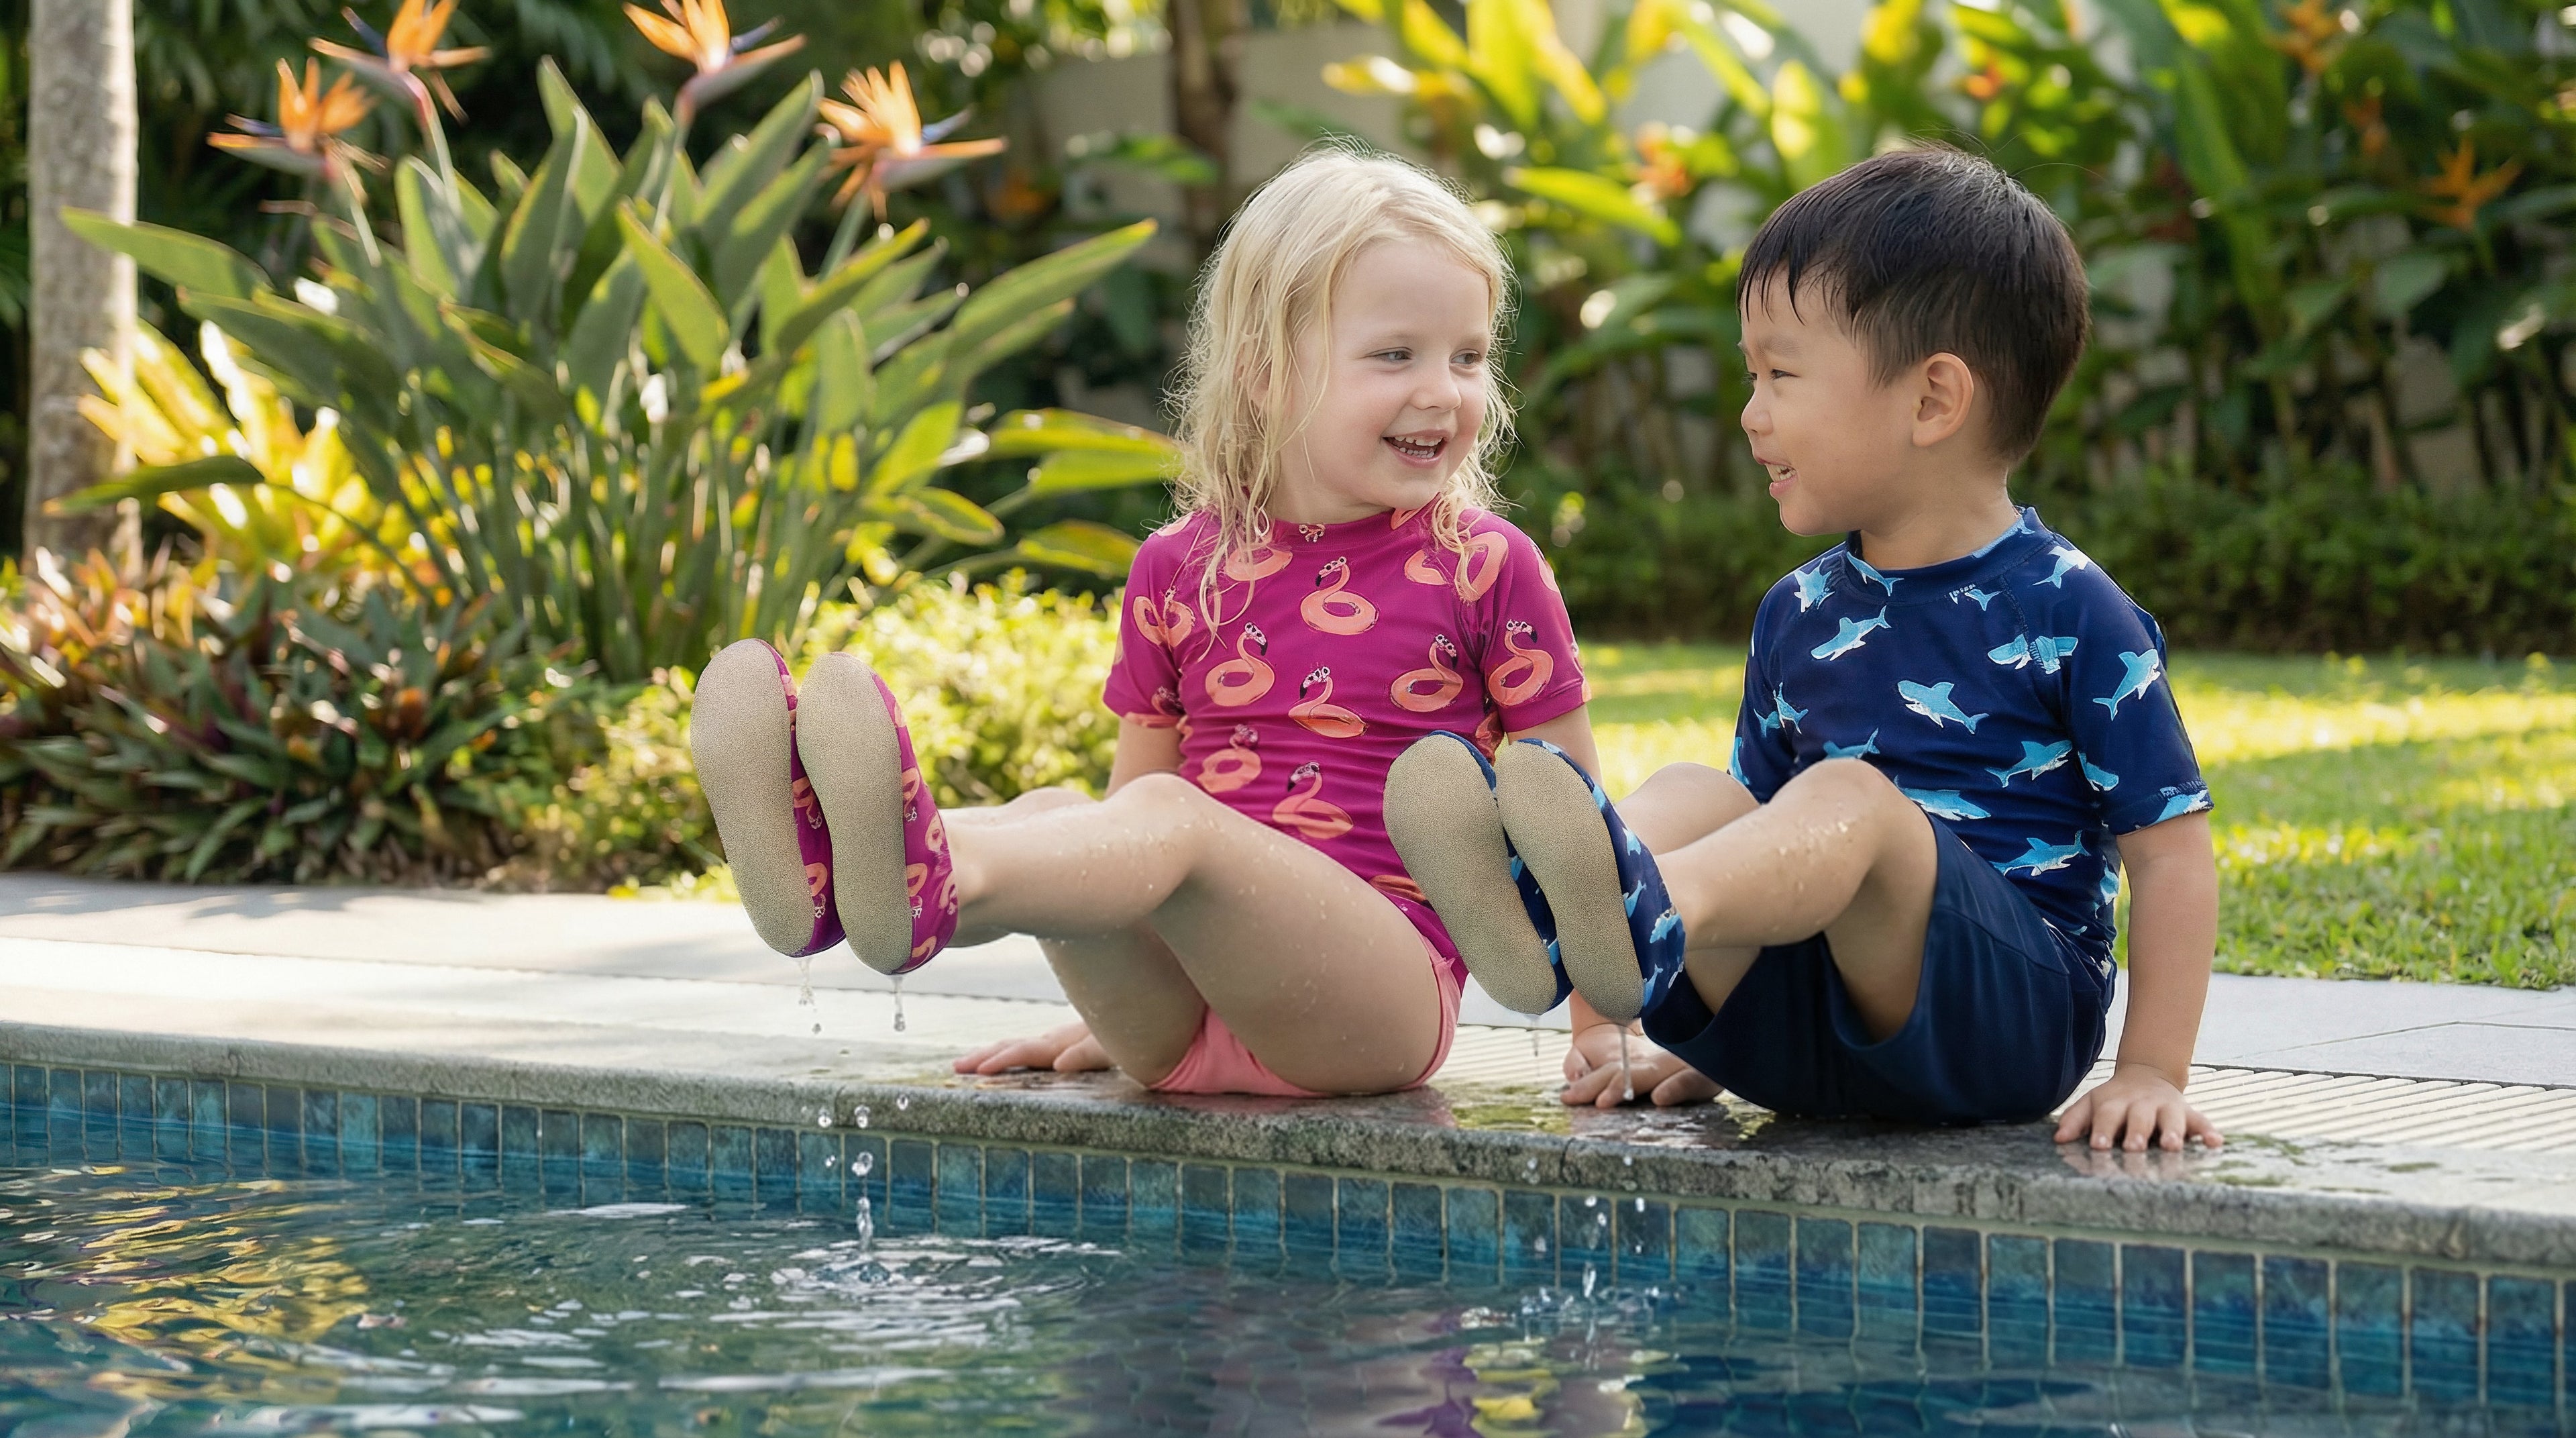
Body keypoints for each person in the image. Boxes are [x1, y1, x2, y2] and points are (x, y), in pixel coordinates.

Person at [692, 146, 1609, 1096]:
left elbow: (1571, 812)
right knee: (1065, 816)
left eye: (1468, 357)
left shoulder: (1483, 566)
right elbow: (1128, 823)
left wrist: (1603, 1023)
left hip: (1375, 1008)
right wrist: (1105, 1003)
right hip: (1178, 1028)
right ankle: (843, 879)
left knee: (1170, 822)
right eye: (1396, 355)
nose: (1444, 391)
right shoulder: (1180, 569)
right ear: (1263, 374)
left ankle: (907, 869)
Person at [1384, 147, 2225, 1151]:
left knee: (1849, 800)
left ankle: (1634, 907)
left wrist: (2149, 1072)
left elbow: (2171, 861)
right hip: (1816, 1038)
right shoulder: (1800, 611)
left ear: (1932, 401)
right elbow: (1764, 840)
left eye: (1781, 374)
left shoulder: (2074, 610)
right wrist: (1713, 1046)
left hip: (2001, 1031)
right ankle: (1556, 906)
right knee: (1704, 793)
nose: (1751, 414)